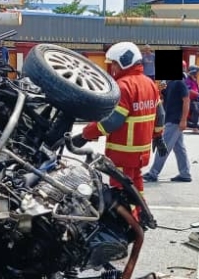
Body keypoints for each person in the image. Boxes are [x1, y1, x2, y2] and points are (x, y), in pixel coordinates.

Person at [71, 42, 164, 194]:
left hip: (123, 153)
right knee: (136, 188)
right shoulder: (149, 83)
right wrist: (158, 136)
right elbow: (160, 114)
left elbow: (113, 121)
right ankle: (140, 216)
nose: (112, 68)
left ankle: (131, 217)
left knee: (121, 193)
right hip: (141, 152)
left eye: (114, 64)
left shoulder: (123, 86)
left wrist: (85, 135)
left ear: (124, 61)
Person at [144, 77, 192, 183]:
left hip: (175, 120)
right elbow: (161, 97)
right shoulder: (168, 83)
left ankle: (153, 173)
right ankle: (185, 174)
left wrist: (184, 120)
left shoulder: (179, 82)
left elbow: (186, 100)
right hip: (170, 119)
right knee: (179, 148)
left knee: (163, 147)